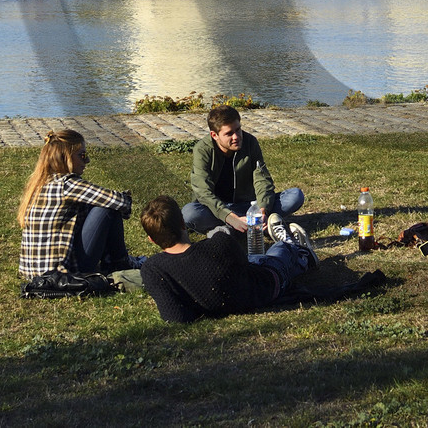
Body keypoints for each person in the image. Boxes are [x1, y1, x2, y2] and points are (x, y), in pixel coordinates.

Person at [136, 194, 317, 324]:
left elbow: (175, 317)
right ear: (183, 224)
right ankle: (298, 250)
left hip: (243, 290)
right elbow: (247, 268)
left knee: (258, 259)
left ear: (151, 239)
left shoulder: (153, 269)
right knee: (278, 251)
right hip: (266, 287)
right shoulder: (219, 243)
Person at [17, 129, 133, 279]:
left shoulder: (38, 184)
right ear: (66, 157)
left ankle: (115, 261)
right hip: (62, 274)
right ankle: (120, 263)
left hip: (33, 273)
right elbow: (120, 202)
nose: (87, 160)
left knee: (97, 205)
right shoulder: (67, 184)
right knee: (107, 208)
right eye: (82, 155)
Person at [183, 105, 305, 241]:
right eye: (229, 133)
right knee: (189, 213)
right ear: (214, 135)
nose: (236, 137)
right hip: (217, 209)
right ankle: (244, 226)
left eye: (238, 130)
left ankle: (237, 228)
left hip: (249, 206)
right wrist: (230, 217)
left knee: (295, 196)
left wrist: (262, 211)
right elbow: (203, 191)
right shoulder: (203, 150)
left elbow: (262, 180)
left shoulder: (250, 142)